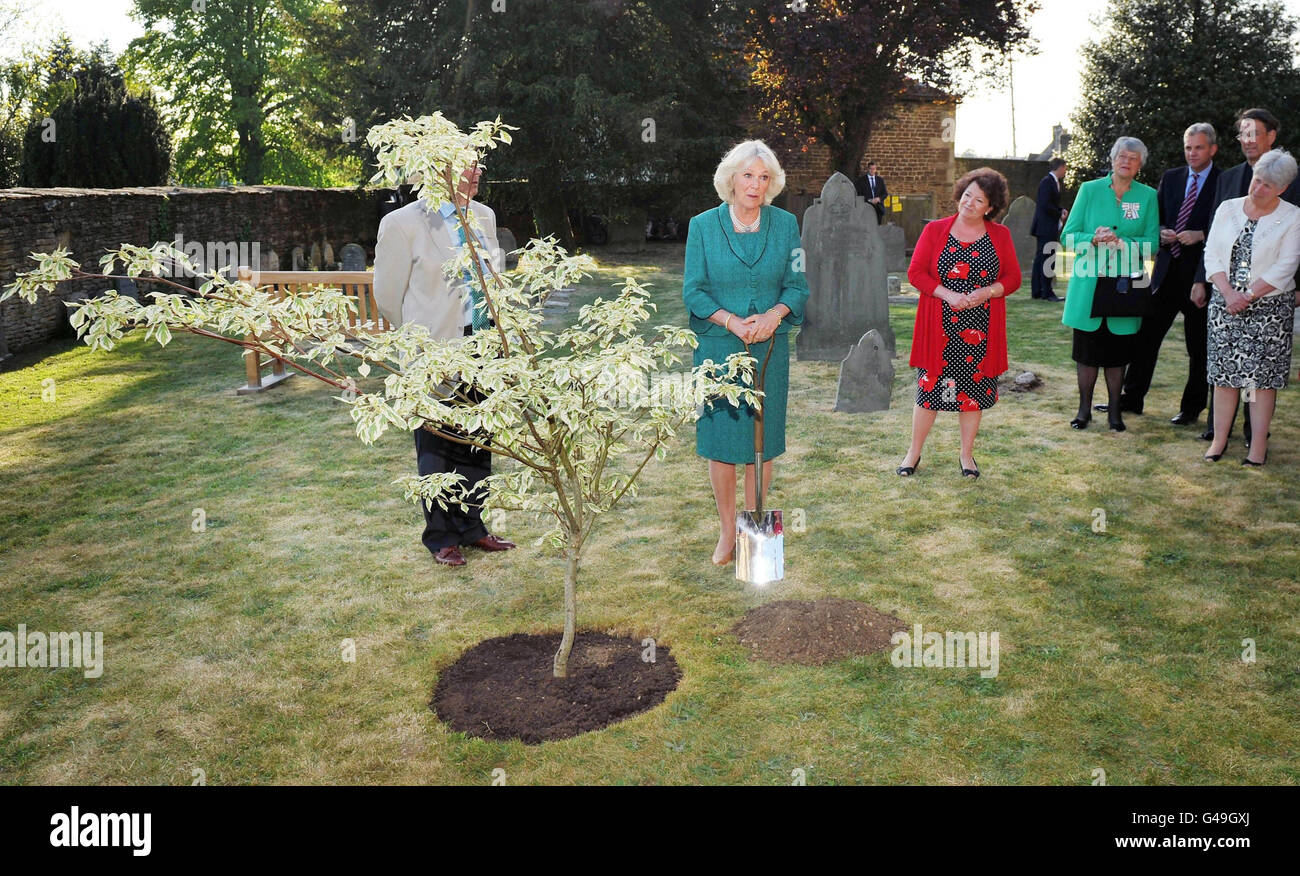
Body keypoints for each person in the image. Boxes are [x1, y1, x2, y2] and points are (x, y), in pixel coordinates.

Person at [373, 163, 517, 567]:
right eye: (467, 166)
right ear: (439, 169)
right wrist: (422, 341)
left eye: (481, 164)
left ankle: (473, 527)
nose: (479, 171)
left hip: (484, 348)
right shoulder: (401, 223)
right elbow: (387, 295)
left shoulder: (484, 216)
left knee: (478, 440)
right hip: (433, 354)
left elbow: (494, 278)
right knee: (435, 445)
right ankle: (441, 537)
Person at [683, 140, 810, 566]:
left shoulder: (787, 225)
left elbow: (797, 285)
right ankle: (725, 532)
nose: (755, 185)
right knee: (723, 442)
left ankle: (753, 525)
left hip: (769, 350)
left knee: (763, 440)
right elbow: (694, 291)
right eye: (747, 175)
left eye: (763, 177)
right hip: (719, 348)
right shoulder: (702, 226)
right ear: (731, 179)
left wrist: (775, 314)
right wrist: (732, 322)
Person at [897, 168, 1021, 479]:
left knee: (973, 394)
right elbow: (916, 273)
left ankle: (967, 455)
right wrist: (947, 294)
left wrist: (987, 292)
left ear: (990, 207)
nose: (969, 203)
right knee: (929, 393)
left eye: (978, 200)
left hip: (981, 328)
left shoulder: (1000, 236)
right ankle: (913, 453)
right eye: (966, 195)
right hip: (938, 325)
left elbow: (1013, 278)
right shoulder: (935, 230)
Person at [1192, 108, 1300, 444]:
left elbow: (1292, 254)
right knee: (1223, 372)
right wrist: (1209, 282)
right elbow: (1215, 242)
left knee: (1258, 378)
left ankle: (1256, 437)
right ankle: (1217, 432)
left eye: (1254, 133)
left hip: (1268, 299)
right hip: (1227, 299)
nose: (1248, 139)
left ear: (1272, 136)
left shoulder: (1291, 185)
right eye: (1243, 133)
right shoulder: (1228, 181)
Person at [1115, 123, 1221, 424]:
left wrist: (1200, 234)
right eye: (1188, 147)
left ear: (1212, 149)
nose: (1192, 153)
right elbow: (1155, 217)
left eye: (1199, 147)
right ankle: (1132, 399)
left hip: (1200, 278)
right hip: (1165, 272)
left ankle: (1191, 409)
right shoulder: (1172, 178)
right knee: (1145, 339)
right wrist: (1161, 231)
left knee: (1198, 347)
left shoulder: (1223, 181)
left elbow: (1225, 226)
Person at [1061, 136, 1159, 432]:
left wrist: (1122, 242)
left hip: (1125, 286)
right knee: (1087, 353)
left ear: (1140, 164)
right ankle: (1083, 410)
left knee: (1117, 355)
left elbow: (1152, 244)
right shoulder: (1089, 190)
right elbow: (1067, 236)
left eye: (1133, 158)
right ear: (1113, 159)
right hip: (1089, 285)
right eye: (1121, 156)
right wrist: (1091, 237)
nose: (1126, 161)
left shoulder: (1147, 196)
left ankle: (1115, 411)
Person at [1031, 157, 1068, 301]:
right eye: (1065, 168)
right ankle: (1046, 292)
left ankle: (1039, 291)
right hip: (1045, 227)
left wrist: (1060, 209)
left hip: (1047, 226)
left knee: (1042, 258)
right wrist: (1059, 213)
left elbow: (1050, 203)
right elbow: (1044, 204)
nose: (1065, 171)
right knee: (1047, 259)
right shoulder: (1047, 182)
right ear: (1059, 167)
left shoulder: (1053, 182)